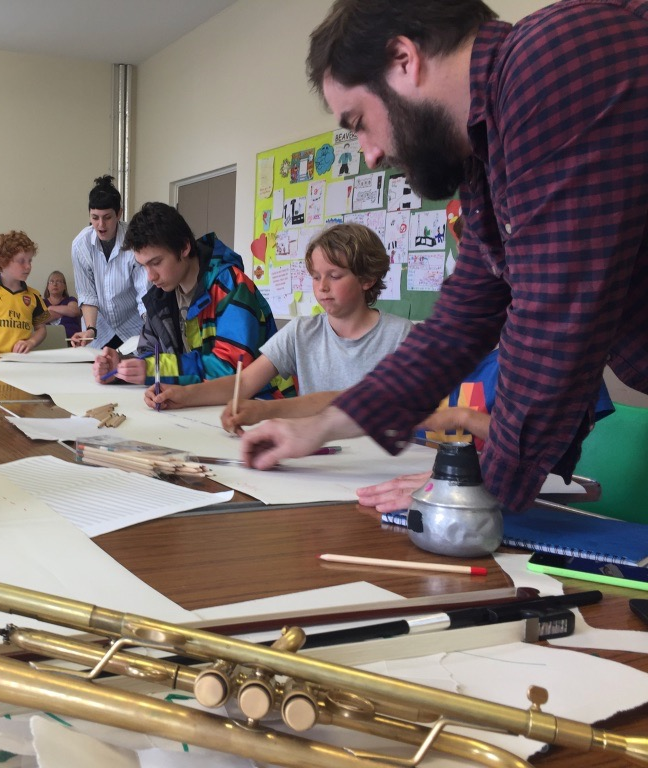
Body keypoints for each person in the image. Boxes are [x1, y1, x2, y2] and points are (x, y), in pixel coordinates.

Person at [242, 0, 648, 514]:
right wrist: (322, 427)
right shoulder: (484, 158)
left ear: (404, 59)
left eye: (359, 121)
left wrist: (481, 487)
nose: (370, 153)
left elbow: (555, 321)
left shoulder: (549, 59)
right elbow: (460, 322)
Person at [145, 224, 412, 433]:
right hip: (315, 454)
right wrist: (182, 394)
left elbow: (394, 408)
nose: (322, 287)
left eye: (334, 276)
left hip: (381, 461)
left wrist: (266, 411)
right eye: (316, 276)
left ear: (367, 279)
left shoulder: (401, 336)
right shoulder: (301, 332)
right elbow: (244, 382)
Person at [357, 348, 616, 512]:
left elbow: (553, 442)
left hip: (514, 503)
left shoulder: (550, 364)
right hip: (427, 494)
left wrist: (465, 417)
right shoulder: (423, 366)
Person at [93, 202, 295, 400]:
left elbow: (231, 370)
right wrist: (123, 368)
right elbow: (150, 353)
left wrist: (154, 369)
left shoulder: (231, 286)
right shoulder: (161, 296)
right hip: (202, 406)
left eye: (156, 263)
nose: (150, 276)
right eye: (143, 266)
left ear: (184, 247)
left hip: (263, 404)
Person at [70, 175, 150, 348]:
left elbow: (144, 290)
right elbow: (87, 293)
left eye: (107, 217)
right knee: (98, 365)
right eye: (95, 217)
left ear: (119, 213)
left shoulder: (134, 240)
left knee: (133, 364)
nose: (101, 225)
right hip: (99, 328)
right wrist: (90, 329)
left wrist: (151, 325)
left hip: (133, 325)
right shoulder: (80, 245)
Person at [43, 270, 81, 339]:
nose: (55, 284)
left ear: (64, 286)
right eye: (51, 281)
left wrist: (51, 308)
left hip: (71, 341)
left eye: (59, 281)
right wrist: (64, 311)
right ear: (48, 286)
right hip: (47, 341)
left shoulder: (71, 299)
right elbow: (38, 320)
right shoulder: (41, 302)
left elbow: (75, 311)